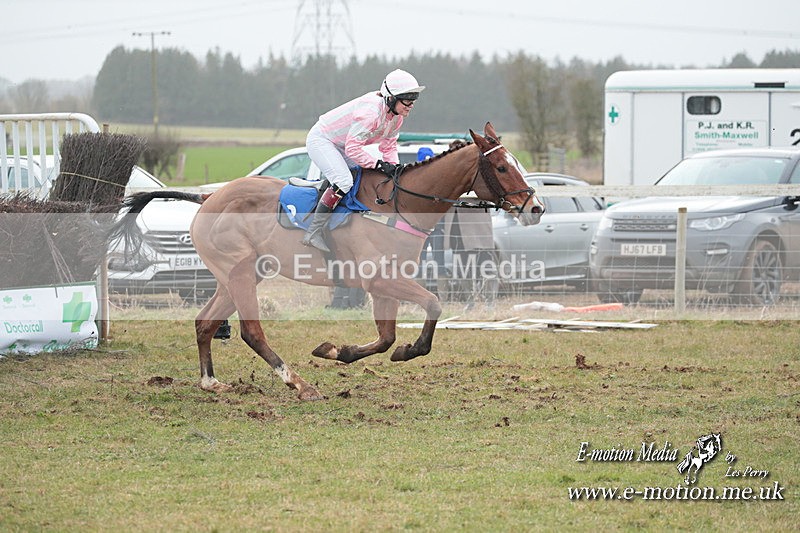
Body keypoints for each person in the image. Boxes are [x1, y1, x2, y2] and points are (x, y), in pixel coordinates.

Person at [302, 69, 425, 252]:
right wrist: (378, 164)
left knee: (368, 179)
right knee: (344, 180)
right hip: (323, 140)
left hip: (341, 145)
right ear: (390, 98)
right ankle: (313, 232)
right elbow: (353, 148)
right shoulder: (371, 112)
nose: (411, 105)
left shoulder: (396, 118)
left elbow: (389, 147)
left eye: (413, 100)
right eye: (407, 99)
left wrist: (394, 170)